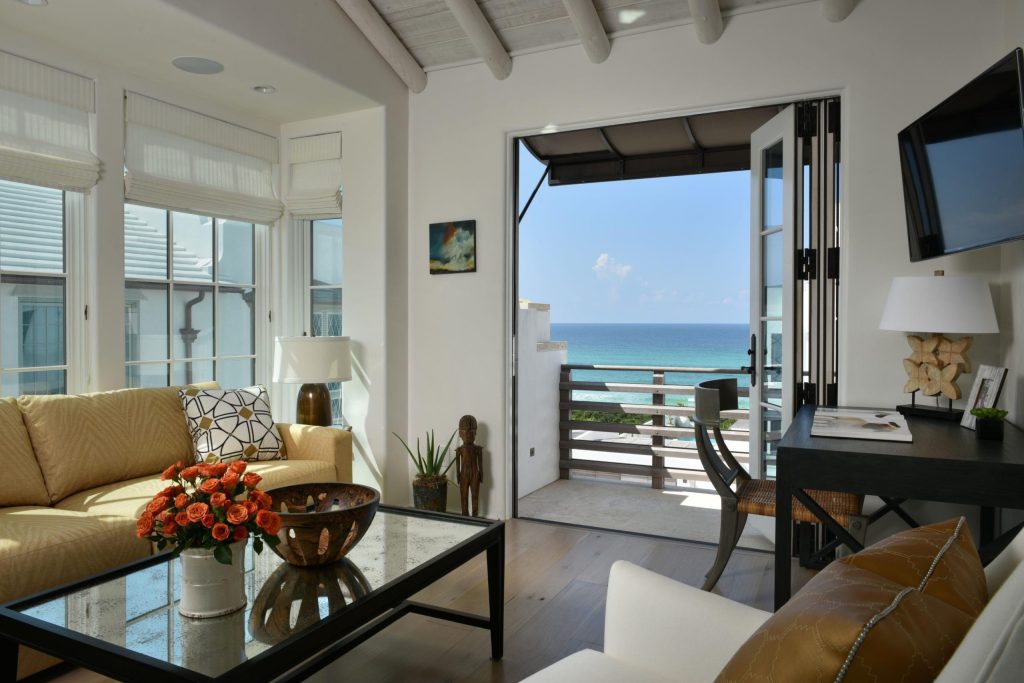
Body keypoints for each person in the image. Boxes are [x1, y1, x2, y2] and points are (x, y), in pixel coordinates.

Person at [455, 414, 483, 516]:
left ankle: (475, 515)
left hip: (475, 473)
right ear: (460, 433)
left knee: (475, 495)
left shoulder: (477, 449)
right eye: (464, 431)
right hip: (464, 475)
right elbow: (458, 464)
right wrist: (458, 475)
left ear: (475, 432)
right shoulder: (459, 450)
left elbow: (480, 463)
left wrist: (481, 474)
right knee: (464, 495)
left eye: (471, 431)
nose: (468, 434)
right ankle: (464, 514)